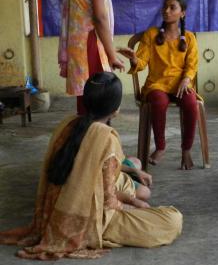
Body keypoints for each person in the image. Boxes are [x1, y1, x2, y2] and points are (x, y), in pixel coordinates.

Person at [0, 72, 182, 260]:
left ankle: (134, 179)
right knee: (173, 220)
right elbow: (107, 202)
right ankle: (132, 203)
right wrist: (133, 205)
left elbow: (97, 173)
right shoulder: (106, 138)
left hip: (65, 202)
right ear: (116, 109)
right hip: (89, 219)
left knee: (135, 164)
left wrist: (134, 172)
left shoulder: (68, 123)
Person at [118, 0, 198, 170]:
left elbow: (192, 65)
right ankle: (161, 147)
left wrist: (186, 79)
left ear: (182, 13)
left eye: (172, 7)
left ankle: (186, 150)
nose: (166, 10)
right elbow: (141, 62)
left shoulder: (190, 38)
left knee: (191, 103)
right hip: (157, 84)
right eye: (165, 7)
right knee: (158, 101)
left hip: (180, 84)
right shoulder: (152, 34)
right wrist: (133, 58)